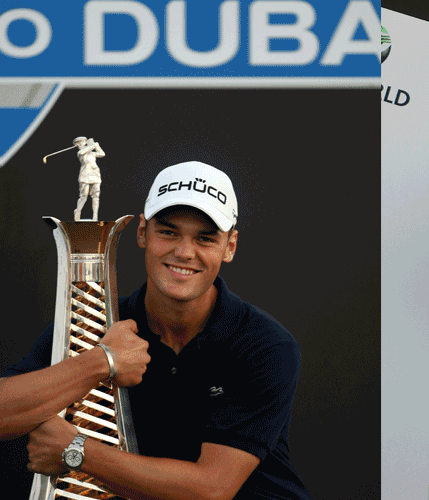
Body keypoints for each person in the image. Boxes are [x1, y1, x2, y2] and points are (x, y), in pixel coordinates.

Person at [0, 161, 312, 500]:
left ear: (230, 246)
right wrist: (100, 362)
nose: (184, 252)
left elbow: (211, 489)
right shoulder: (96, 322)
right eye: (168, 232)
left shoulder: (264, 344)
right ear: (142, 233)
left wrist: (76, 450)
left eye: (205, 239)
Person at [73, 136, 105, 221]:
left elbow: (102, 154)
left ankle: (95, 216)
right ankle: (78, 211)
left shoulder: (92, 154)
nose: (79, 144)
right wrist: (92, 143)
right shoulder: (81, 152)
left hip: (95, 175)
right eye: (78, 143)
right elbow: (88, 148)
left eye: (81, 142)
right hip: (85, 175)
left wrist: (97, 146)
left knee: (96, 196)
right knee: (84, 195)